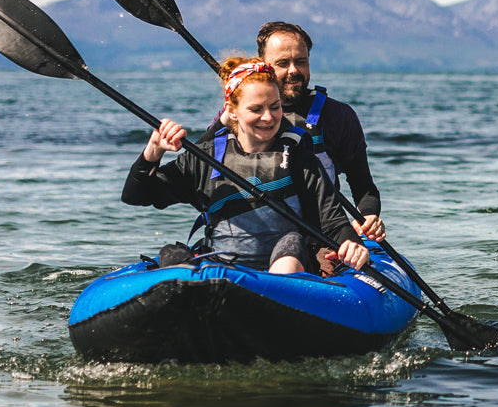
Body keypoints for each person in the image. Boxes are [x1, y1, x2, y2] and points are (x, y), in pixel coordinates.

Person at [124, 58, 370, 275]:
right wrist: (153, 151)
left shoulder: (300, 159)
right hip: (224, 270)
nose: (268, 117)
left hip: (287, 269)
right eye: (256, 109)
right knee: (171, 254)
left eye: (275, 107)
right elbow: (136, 195)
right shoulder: (204, 158)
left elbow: (333, 223)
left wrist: (351, 244)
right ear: (232, 111)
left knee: (292, 242)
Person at [254, 20, 386, 242]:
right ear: (263, 65)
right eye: (283, 63)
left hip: (322, 237)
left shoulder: (338, 116)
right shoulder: (240, 116)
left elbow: (364, 187)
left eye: (301, 61)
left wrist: (369, 216)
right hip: (256, 237)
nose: (294, 70)